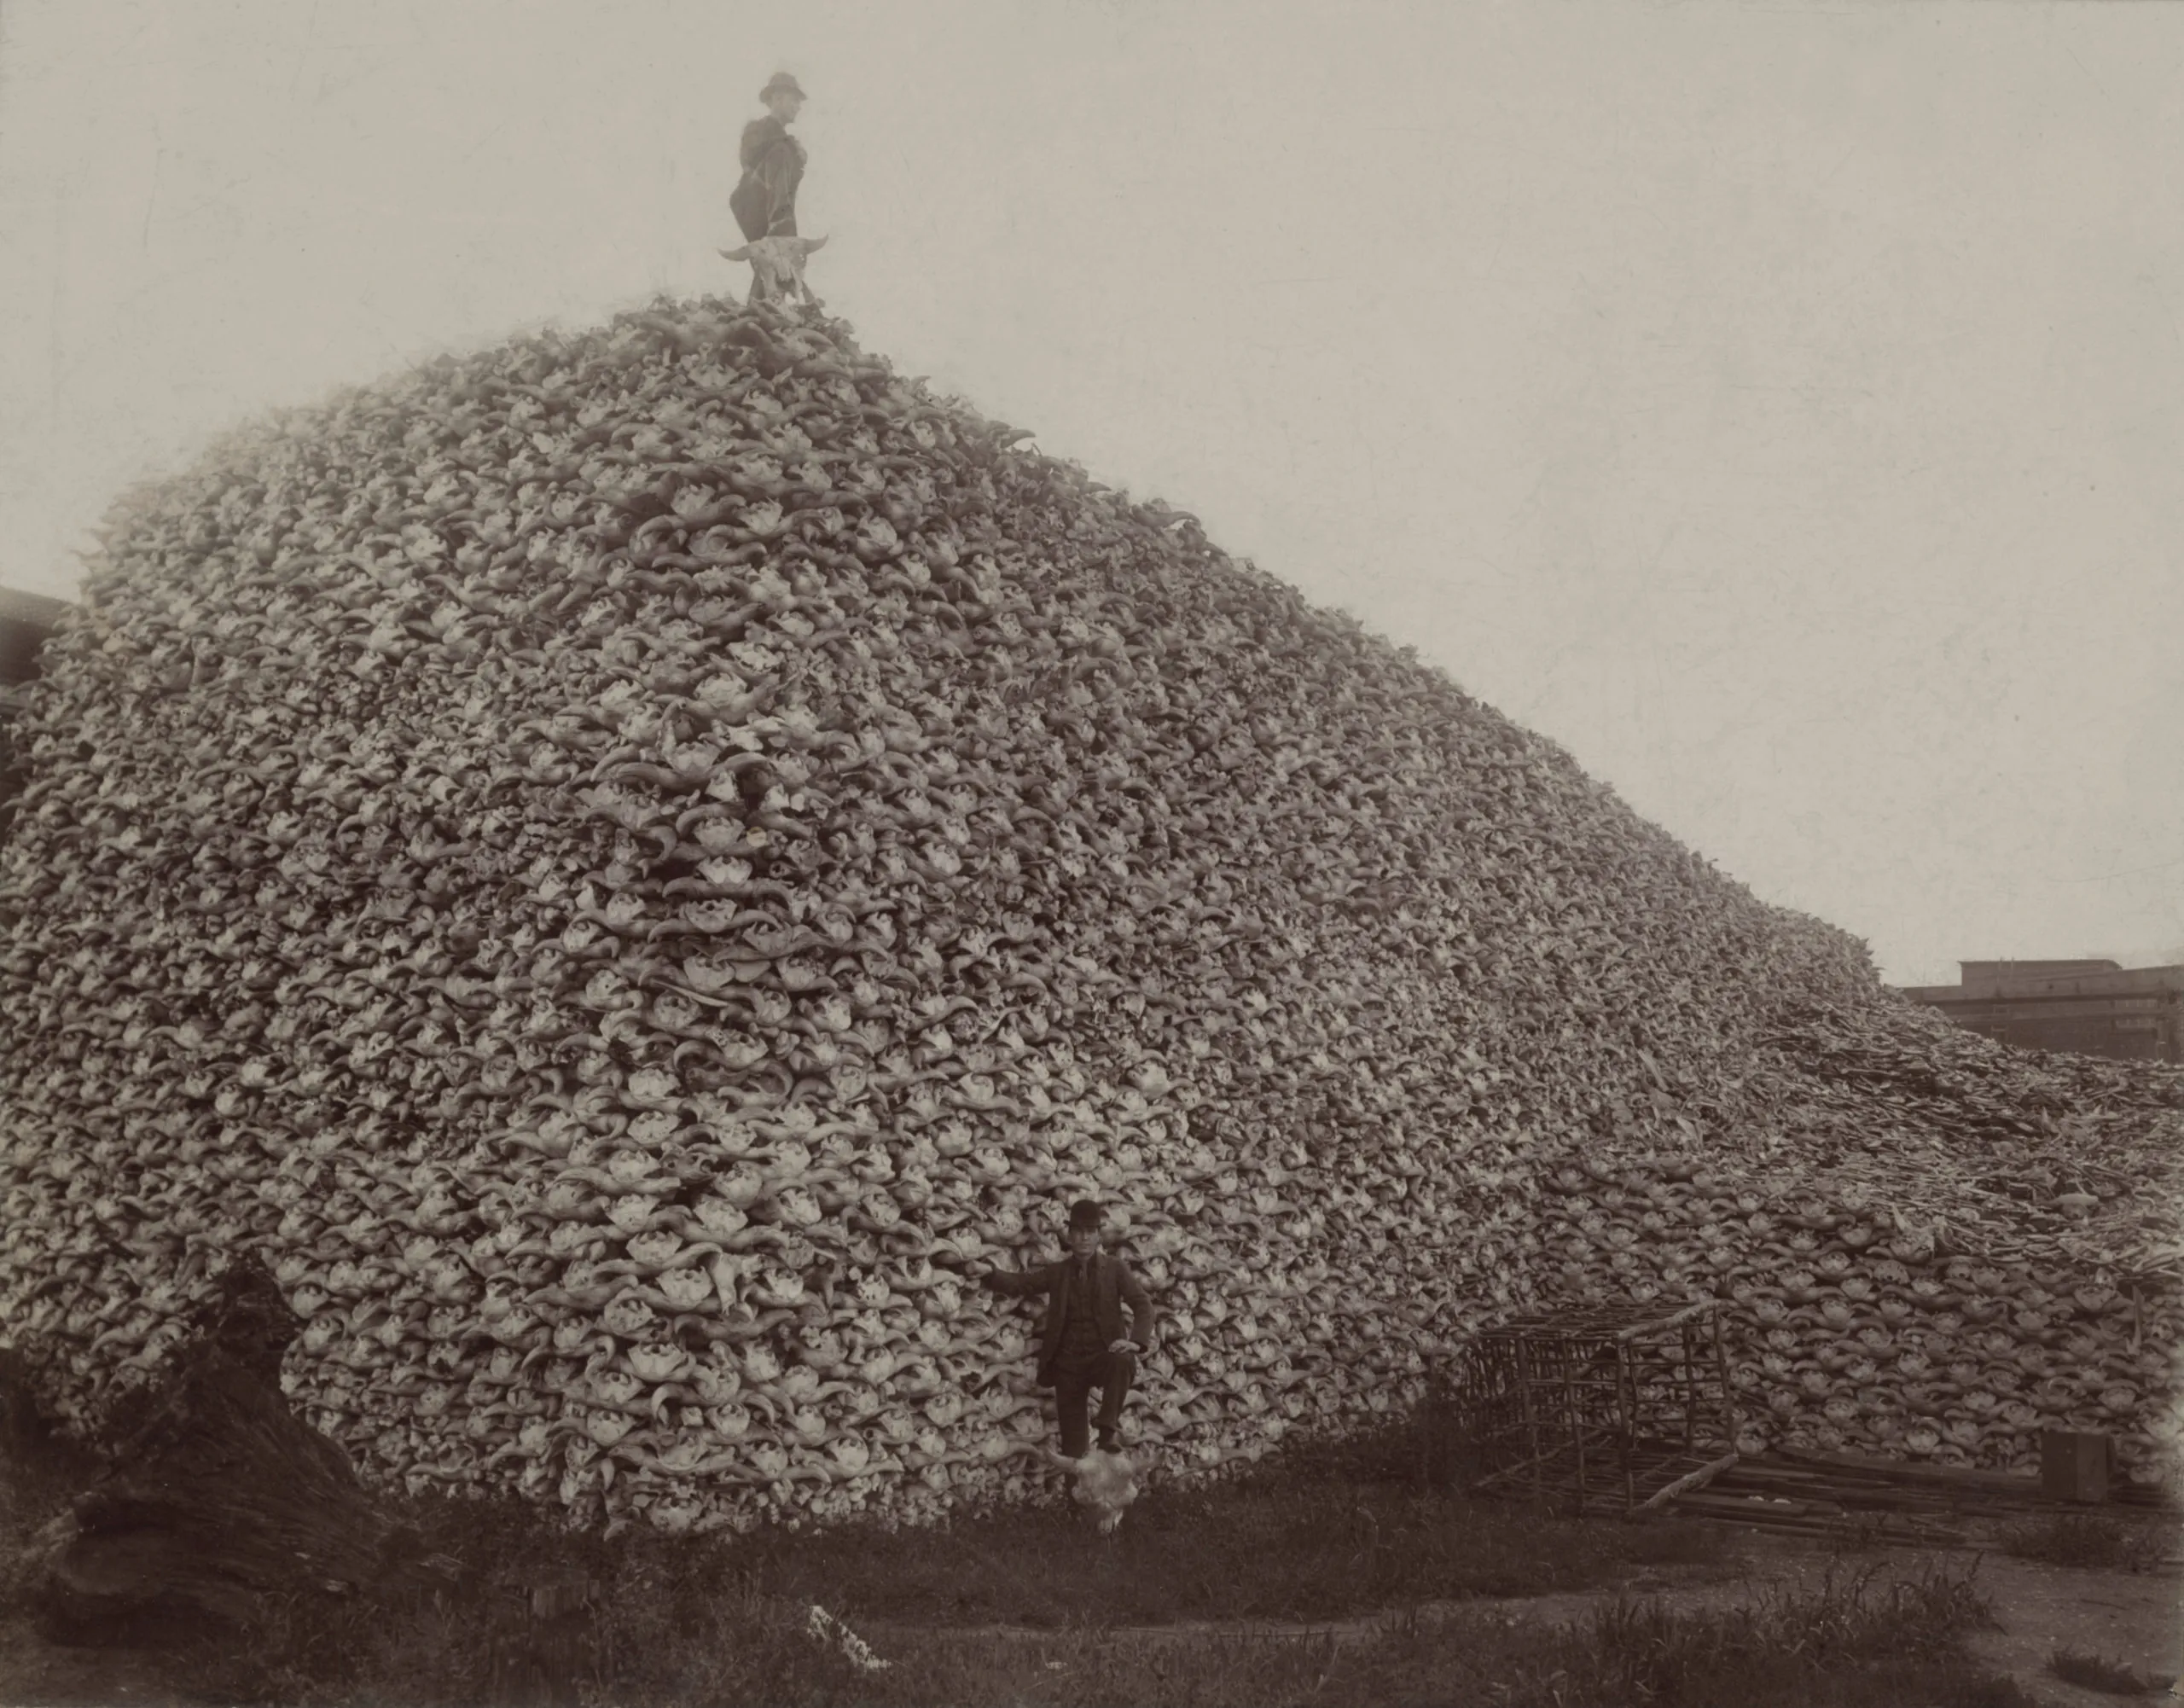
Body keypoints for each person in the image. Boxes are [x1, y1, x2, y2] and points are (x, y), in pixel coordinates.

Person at [980, 1200, 1157, 1457]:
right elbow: (1023, 1284)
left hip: (1101, 1357)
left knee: (1124, 1360)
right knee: (1074, 1449)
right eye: (1078, 1232)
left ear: (1098, 1235)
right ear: (1070, 1236)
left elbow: (1143, 1305)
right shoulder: (1058, 1272)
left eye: (1090, 1232)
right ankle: (1076, 1497)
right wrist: (988, 1272)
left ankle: (1107, 1430)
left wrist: (1135, 1341)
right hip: (1068, 1366)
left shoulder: (1115, 1270)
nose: (1084, 1238)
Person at [732, 73, 808, 247]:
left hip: (771, 217)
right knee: (781, 151)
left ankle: (784, 236)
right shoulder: (757, 129)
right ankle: (781, 230)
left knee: (781, 270)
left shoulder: (786, 144)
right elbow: (749, 157)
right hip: (752, 208)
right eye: (794, 101)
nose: (798, 107)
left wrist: (798, 157)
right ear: (777, 98)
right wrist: (791, 146)